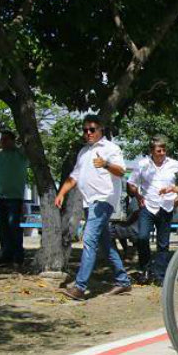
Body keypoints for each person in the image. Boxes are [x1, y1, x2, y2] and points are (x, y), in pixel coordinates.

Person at [55, 115, 132, 300]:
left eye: (92, 129)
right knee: (105, 245)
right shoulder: (83, 152)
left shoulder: (111, 148)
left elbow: (121, 171)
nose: (88, 133)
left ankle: (80, 287)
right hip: (89, 202)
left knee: (89, 240)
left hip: (103, 200)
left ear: (100, 130)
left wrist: (105, 164)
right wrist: (61, 193)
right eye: (85, 130)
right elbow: (74, 177)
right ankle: (123, 281)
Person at [127, 135, 178, 284]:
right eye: (159, 150)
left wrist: (177, 201)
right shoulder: (142, 164)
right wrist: (138, 196)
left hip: (166, 207)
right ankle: (145, 269)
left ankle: (160, 275)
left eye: (164, 150)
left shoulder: (175, 165)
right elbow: (131, 183)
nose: (162, 153)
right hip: (148, 206)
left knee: (163, 244)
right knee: (142, 237)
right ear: (152, 151)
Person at [0, 130, 29, 268]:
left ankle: (18, 257)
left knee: (14, 227)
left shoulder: (21, 154)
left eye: (5, 139)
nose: (2, 142)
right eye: (1, 140)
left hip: (15, 198)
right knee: (2, 228)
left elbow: (28, 143)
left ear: (12, 141)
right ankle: (6, 256)